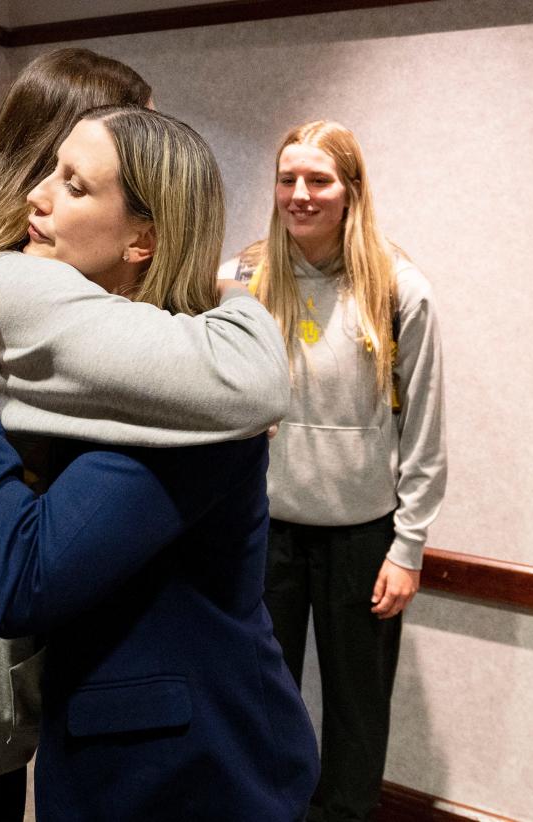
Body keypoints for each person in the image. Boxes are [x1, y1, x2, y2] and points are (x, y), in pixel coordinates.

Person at [0, 49, 291, 822]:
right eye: (63, 172)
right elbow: (252, 379)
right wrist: (234, 292)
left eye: (77, 184)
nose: (45, 197)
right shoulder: (20, 285)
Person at [219, 120, 447, 821]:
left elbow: (426, 432)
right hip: (266, 534)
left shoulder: (400, 290)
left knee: (356, 715)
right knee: (260, 704)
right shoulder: (244, 278)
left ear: (351, 190)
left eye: (317, 180)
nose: (300, 194)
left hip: (363, 539)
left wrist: (407, 549)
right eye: (288, 179)